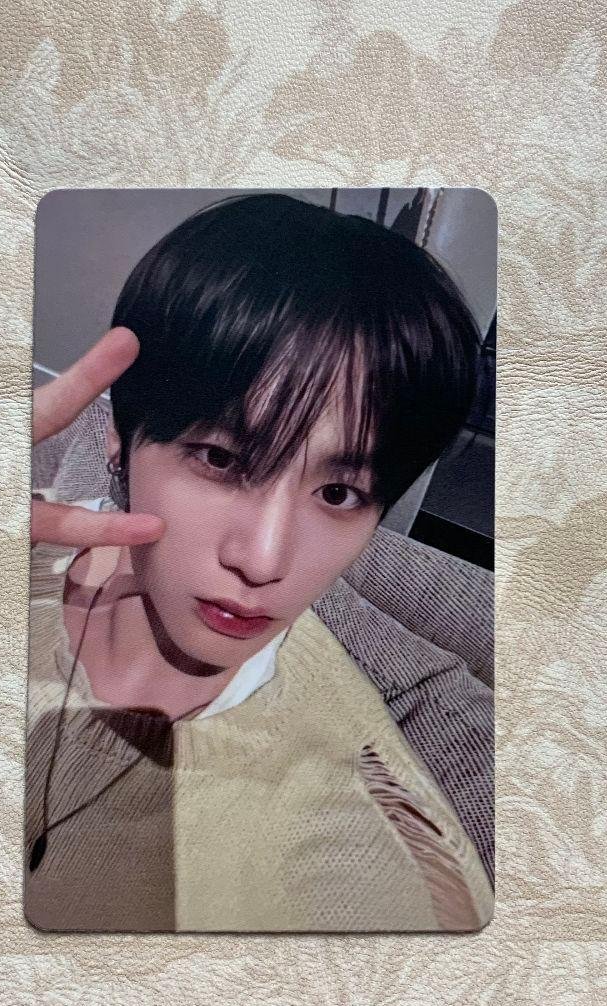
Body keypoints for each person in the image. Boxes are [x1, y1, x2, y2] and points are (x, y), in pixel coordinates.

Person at [26, 193, 494, 932]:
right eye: (221, 459)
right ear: (118, 434)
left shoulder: (361, 841)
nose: (265, 561)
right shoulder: (8, 546)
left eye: (338, 493)